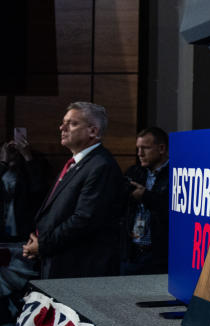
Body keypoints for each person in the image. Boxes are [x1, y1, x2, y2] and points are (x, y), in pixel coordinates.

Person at [21, 103, 127, 279]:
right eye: (63, 122)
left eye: (72, 123)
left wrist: (44, 244)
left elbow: (84, 219)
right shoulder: (77, 164)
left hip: (79, 269)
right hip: (58, 261)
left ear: (93, 131)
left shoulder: (101, 166)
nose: (62, 127)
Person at [123, 127, 171, 275]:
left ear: (161, 148)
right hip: (131, 252)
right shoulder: (134, 172)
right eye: (138, 148)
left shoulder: (176, 174)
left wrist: (146, 196)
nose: (140, 154)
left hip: (158, 255)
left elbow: (170, 210)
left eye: (145, 148)